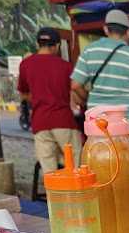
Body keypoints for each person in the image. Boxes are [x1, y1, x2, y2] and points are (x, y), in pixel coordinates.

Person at [71, 10, 129, 133]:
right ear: (128, 32)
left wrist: (88, 98)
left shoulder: (90, 51)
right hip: (126, 125)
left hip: (97, 125)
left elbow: (75, 85)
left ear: (105, 29)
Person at [18, 27, 82, 173]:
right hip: (63, 122)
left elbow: (24, 94)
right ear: (57, 46)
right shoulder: (65, 66)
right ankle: (74, 195)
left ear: (37, 44)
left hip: (40, 123)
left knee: (50, 174)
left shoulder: (25, 65)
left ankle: (53, 196)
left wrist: (40, 99)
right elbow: (76, 91)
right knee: (74, 167)